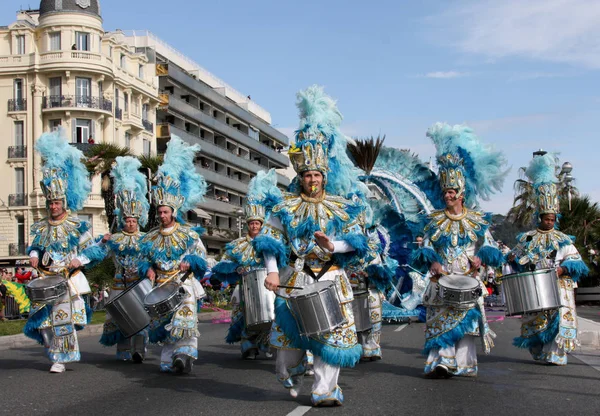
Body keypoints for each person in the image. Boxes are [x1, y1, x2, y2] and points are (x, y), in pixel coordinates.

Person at [256, 86, 368, 406]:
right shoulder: (286, 207)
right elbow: (270, 240)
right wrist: (273, 271)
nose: (313, 179)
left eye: (317, 174)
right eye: (308, 175)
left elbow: (358, 240)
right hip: (295, 278)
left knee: (330, 337)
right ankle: (288, 370)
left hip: (331, 278)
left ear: (324, 176)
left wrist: (333, 244)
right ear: (301, 177)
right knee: (288, 348)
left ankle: (324, 390)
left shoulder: (341, 207)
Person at [411, 123, 508, 378]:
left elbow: (488, 244)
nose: (448, 196)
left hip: (467, 277)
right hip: (442, 278)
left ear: (462, 194)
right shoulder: (434, 221)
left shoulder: (476, 220)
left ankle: (464, 364)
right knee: (440, 320)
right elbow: (426, 245)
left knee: (465, 326)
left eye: (452, 192)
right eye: (446, 192)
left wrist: (481, 258)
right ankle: (441, 362)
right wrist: (432, 261)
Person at [23, 130, 102, 373]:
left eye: (56, 202)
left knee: (62, 319)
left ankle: (61, 357)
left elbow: (94, 248)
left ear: (63, 203)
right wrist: (34, 255)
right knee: (42, 323)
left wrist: (80, 259)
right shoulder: (40, 226)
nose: (53, 206)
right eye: (51, 203)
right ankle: (53, 349)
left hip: (67, 279)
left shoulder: (78, 226)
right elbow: (35, 245)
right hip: (46, 277)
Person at [506, 152, 589, 365]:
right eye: (547, 219)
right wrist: (520, 261)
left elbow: (576, 261)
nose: (550, 222)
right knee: (538, 320)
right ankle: (540, 349)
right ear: (540, 218)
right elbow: (514, 257)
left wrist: (562, 270)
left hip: (559, 285)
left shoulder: (563, 239)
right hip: (537, 285)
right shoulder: (528, 238)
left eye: (553, 219)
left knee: (559, 320)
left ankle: (556, 354)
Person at [138, 136, 209, 374]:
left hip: (183, 285)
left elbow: (201, 255)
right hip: (161, 285)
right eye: (159, 211)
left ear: (174, 212)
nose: (162, 215)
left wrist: (190, 261)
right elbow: (145, 258)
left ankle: (184, 354)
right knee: (165, 325)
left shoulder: (188, 234)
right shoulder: (150, 237)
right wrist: (147, 267)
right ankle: (169, 359)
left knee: (185, 322)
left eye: (166, 211)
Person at [212, 170, 279, 360]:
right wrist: (236, 269)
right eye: (252, 224)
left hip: (266, 286)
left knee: (270, 313)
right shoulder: (237, 245)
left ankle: (265, 342)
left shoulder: (269, 243)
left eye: (258, 223)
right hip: (245, 287)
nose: (255, 226)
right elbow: (223, 263)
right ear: (248, 225)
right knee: (243, 315)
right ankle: (248, 345)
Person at [94, 157, 150, 362]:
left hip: (138, 285)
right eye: (128, 220)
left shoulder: (146, 239)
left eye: (134, 221)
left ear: (138, 221)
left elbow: (152, 259)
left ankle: (139, 351)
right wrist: (102, 242)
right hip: (118, 285)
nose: (131, 224)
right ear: (123, 221)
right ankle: (123, 351)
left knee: (140, 318)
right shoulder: (114, 238)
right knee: (121, 318)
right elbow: (98, 255)